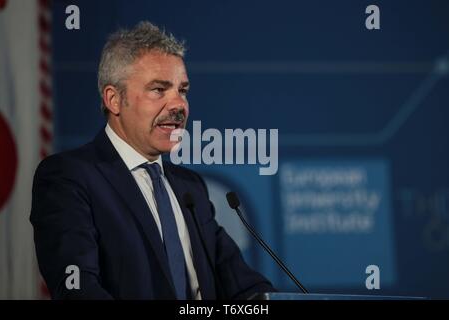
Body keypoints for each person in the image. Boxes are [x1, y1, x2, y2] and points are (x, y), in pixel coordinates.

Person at [30, 21, 275, 300]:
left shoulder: (189, 188)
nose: (178, 105)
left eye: (182, 90)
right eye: (159, 89)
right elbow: (77, 288)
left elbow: (245, 288)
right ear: (114, 99)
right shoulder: (68, 177)